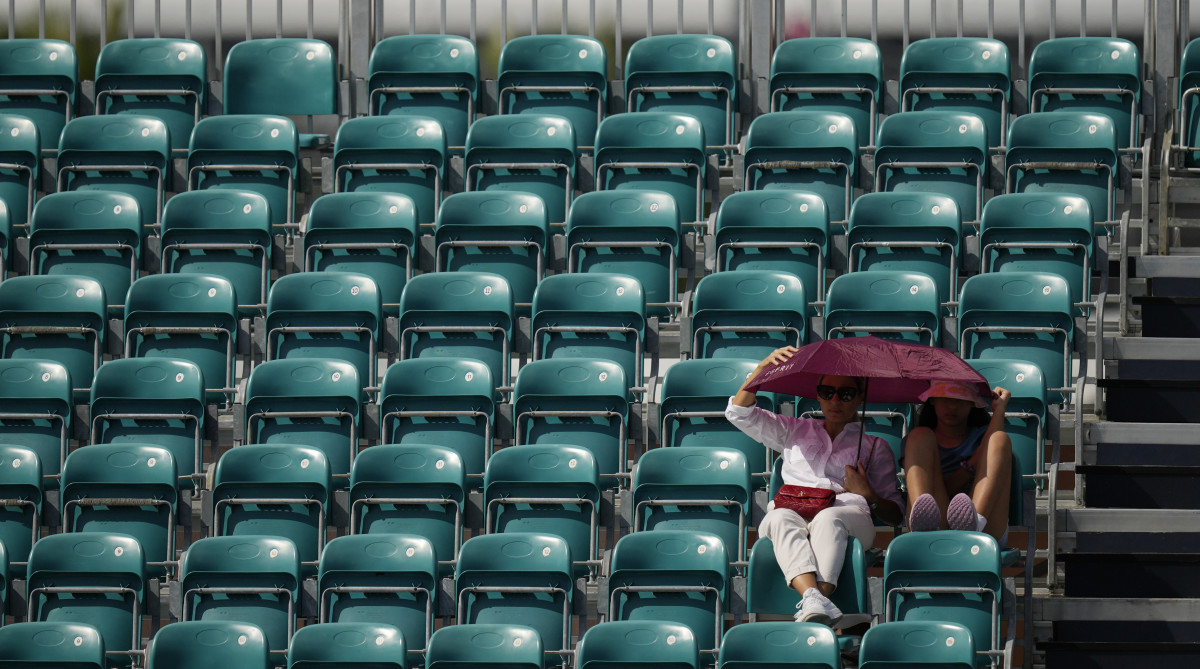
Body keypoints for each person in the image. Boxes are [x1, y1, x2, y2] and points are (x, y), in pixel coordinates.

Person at [726, 346, 904, 627]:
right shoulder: (795, 429)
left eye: (845, 393)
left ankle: (814, 604)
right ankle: (815, 600)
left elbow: (896, 514)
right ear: (818, 393)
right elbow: (739, 412)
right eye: (826, 391)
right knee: (777, 516)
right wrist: (762, 370)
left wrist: (867, 493)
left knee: (828, 517)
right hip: (793, 508)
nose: (835, 400)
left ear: (859, 397)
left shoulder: (875, 447)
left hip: (847, 514)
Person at [902, 380, 1013, 544]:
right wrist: (971, 465)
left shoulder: (985, 435)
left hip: (985, 528)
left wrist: (999, 409)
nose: (952, 406)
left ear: (972, 403)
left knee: (999, 438)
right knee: (919, 435)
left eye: (960, 400)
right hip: (937, 520)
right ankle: (922, 525)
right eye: (946, 398)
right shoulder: (918, 441)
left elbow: (995, 441)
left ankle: (975, 523)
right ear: (932, 399)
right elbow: (946, 489)